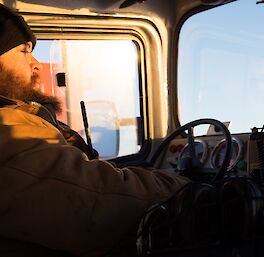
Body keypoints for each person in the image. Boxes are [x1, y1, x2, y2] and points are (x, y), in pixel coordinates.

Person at [0, 4, 190, 256]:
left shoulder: (21, 120)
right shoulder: (8, 129)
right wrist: (184, 187)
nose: (36, 64)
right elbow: (100, 201)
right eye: (24, 51)